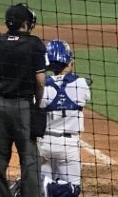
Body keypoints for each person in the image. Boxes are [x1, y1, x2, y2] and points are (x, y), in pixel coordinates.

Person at [0, 3, 46, 197]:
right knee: (30, 159)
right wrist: (37, 104)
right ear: (25, 23)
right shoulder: (34, 43)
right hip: (22, 107)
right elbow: (40, 82)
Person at [38, 39, 91, 197]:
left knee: (43, 188)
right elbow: (83, 91)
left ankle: (44, 186)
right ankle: (49, 188)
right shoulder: (81, 84)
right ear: (69, 62)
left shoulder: (42, 86)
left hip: (45, 144)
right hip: (68, 146)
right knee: (73, 189)